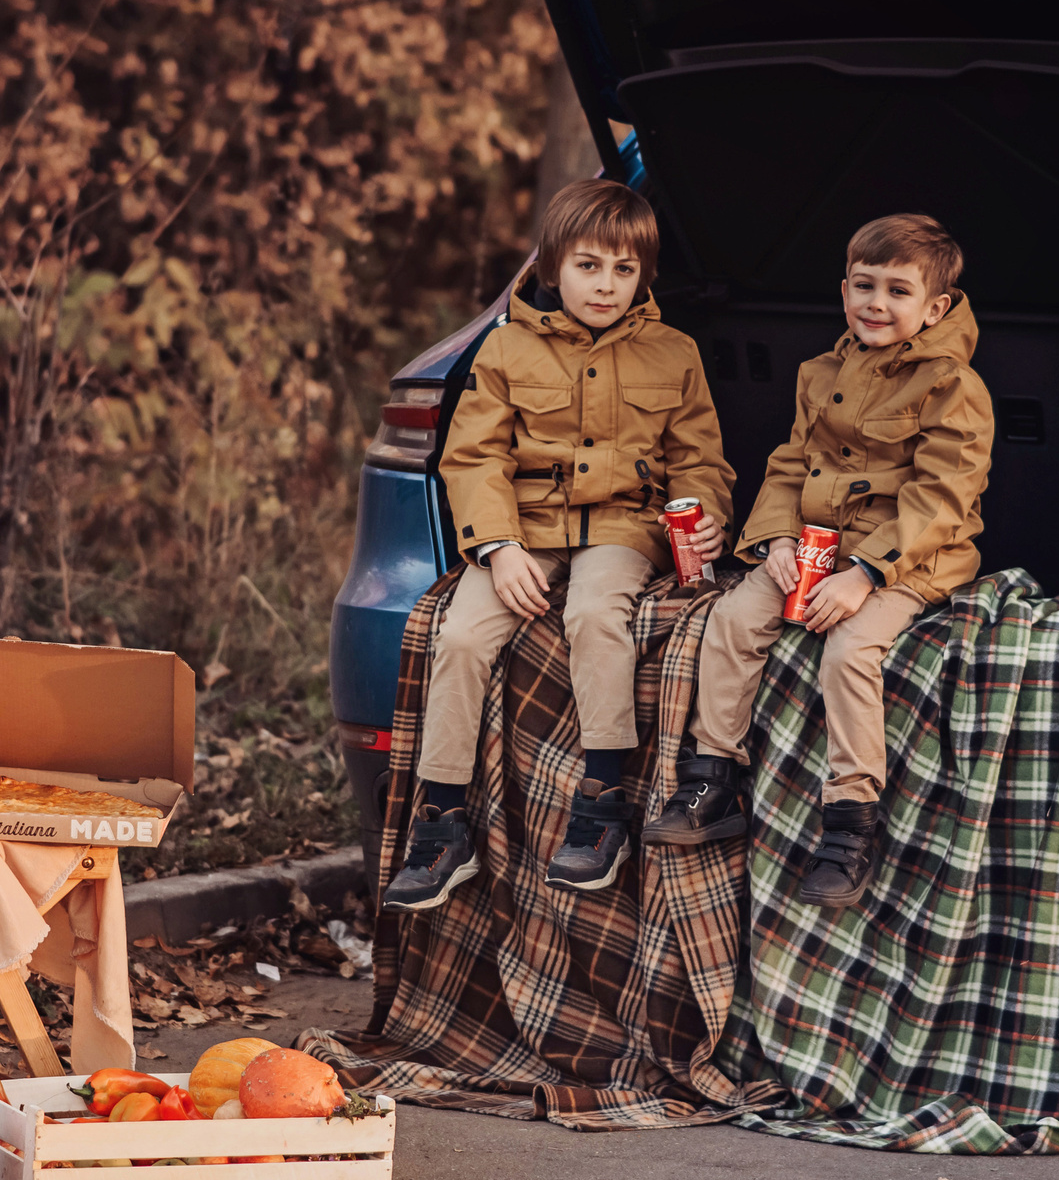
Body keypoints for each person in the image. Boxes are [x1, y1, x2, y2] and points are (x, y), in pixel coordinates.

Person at [382, 179, 736, 912]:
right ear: (551, 265)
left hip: (621, 524)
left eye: (623, 269)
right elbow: (473, 458)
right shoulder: (506, 348)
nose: (605, 285)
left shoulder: (674, 352)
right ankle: (443, 821)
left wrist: (708, 516)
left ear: (644, 274)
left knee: (595, 612)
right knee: (460, 635)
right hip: (525, 527)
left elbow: (699, 457)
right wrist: (499, 546)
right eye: (588, 266)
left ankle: (601, 804)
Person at [647, 214, 993, 907]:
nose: (876, 302)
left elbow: (941, 498)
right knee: (734, 618)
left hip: (909, 557)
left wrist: (865, 575)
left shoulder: (953, 386)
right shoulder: (822, 372)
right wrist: (775, 539)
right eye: (864, 285)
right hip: (813, 544)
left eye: (898, 290)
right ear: (843, 291)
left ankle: (850, 823)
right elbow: (788, 466)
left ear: (937, 307)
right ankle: (714, 776)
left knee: (850, 650)